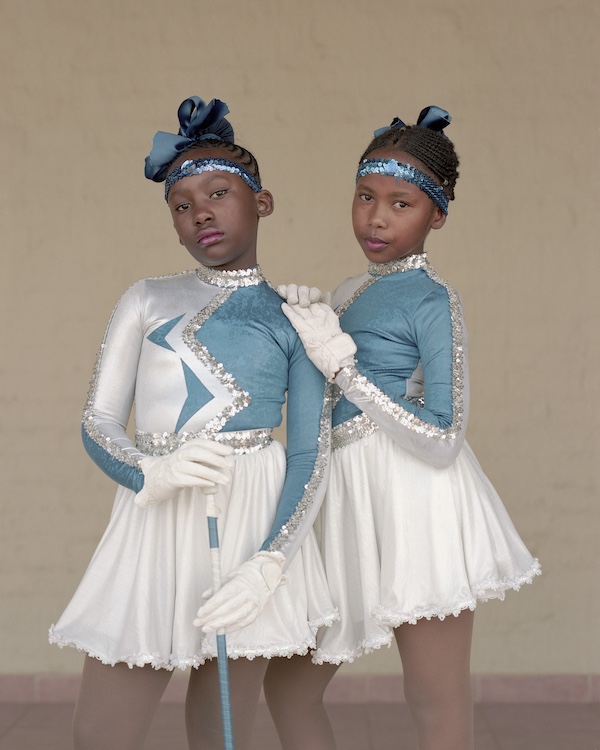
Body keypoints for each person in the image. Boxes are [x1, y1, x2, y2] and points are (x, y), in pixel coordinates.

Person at [49, 96, 335, 750]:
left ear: (261, 203)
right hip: (155, 514)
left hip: (253, 518)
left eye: (218, 192)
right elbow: (97, 418)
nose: (200, 211)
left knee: (222, 726)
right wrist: (149, 470)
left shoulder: (297, 317)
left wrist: (271, 560)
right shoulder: (145, 299)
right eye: (181, 204)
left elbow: (308, 455)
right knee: (101, 728)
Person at [266, 106, 541, 750]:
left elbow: (445, 435)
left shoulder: (433, 300)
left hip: (419, 500)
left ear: (435, 216)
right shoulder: (347, 289)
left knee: (434, 696)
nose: (377, 217)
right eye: (365, 197)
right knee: (288, 688)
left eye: (401, 203)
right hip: (345, 500)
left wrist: (344, 368)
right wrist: (293, 330)